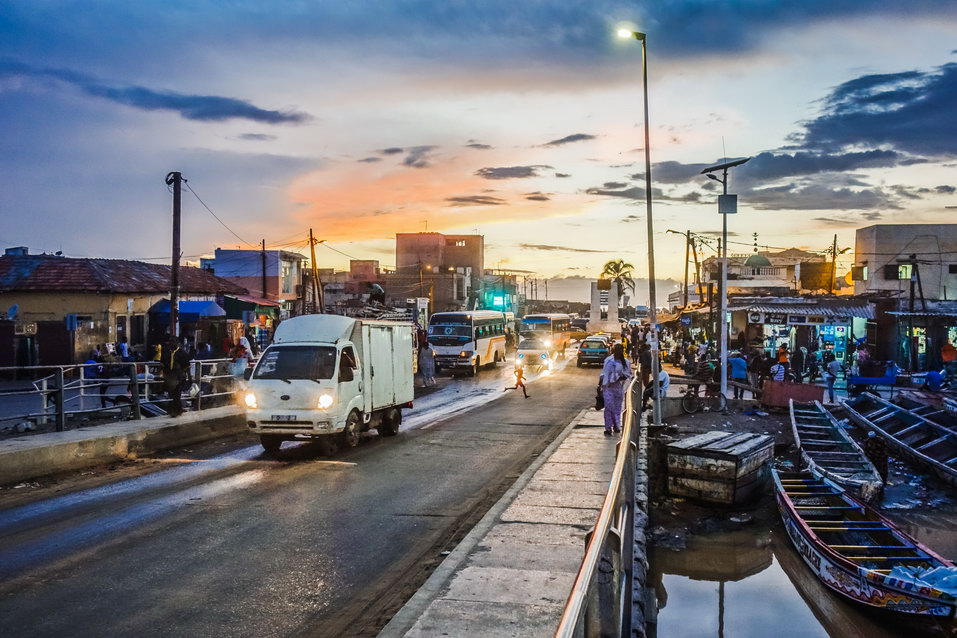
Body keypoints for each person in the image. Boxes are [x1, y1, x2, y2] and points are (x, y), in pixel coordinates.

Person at [600, 343, 632, 436]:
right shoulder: (608, 360)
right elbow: (604, 373)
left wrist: (619, 378)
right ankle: (608, 427)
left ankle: (616, 425)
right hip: (607, 387)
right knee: (608, 407)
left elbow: (628, 374)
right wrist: (600, 385)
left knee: (617, 408)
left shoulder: (625, 362)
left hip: (618, 388)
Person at [160, 336, 192, 416]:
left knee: (177, 393)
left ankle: (177, 411)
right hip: (169, 376)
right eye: (170, 341)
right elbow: (162, 364)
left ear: (177, 343)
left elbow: (187, 366)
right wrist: (162, 374)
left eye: (173, 341)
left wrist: (190, 377)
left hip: (179, 376)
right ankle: (173, 409)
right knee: (171, 394)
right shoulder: (166, 352)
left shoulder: (182, 353)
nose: (171, 343)